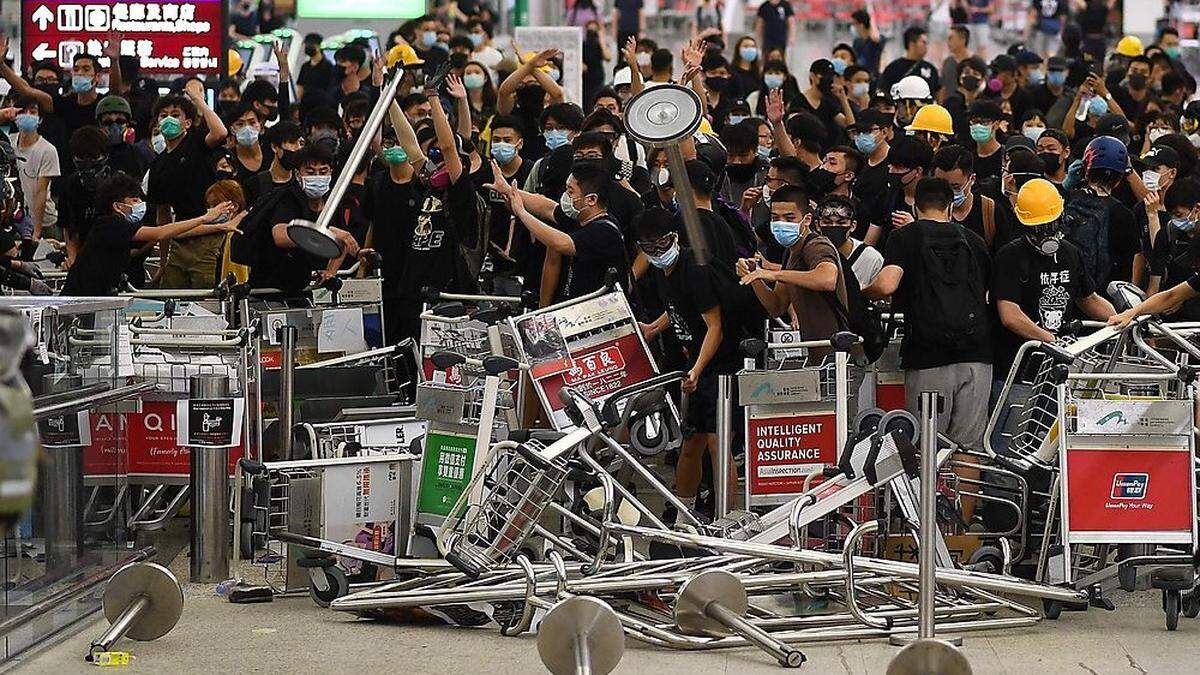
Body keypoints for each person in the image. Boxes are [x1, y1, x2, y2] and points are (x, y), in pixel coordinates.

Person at [864, 177, 992, 521]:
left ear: (914, 207)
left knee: (925, 445)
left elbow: (888, 283)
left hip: (928, 353)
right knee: (969, 448)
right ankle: (961, 530)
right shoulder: (975, 240)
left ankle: (927, 525)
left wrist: (862, 292)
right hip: (977, 354)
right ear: (951, 206)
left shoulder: (905, 237)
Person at [636, 208, 741, 520]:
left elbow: (715, 326)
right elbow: (680, 307)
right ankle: (685, 513)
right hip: (696, 366)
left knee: (717, 442)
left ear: (675, 239)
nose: (657, 253)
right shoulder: (663, 271)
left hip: (722, 367)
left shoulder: (695, 269)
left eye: (662, 245)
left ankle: (726, 517)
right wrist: (655, 328)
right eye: (649, 248)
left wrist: (696, 368)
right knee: (691, 440)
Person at [62, 173, 241, 296]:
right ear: (117, 206)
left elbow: (170, 233)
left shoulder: (115, 229)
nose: (141, 204)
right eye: (134, 200)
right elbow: (162, 232)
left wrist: (222, 226)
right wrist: (206, 217)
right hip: (80, 298)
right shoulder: (110, 224)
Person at [490, 159, 627, 300]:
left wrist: (521, 212)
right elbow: (546, 207)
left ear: (591, 199)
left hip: (602, 311)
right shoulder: (578, 216)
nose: (565, 196)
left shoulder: (605, 230)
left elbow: (561, 243)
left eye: (570, 191)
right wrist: (509, 190)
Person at [736, 185, 850, 352]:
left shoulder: (817, 246)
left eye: (789, 218)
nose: (781, 224)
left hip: (838, 353)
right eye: (775, 218)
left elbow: (827, 279)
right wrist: (754, 277)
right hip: (815, 351)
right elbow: (777, 306)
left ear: (807, 219)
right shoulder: (790, 252)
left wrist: (774, 274)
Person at [146, 84, 229, 289]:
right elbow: (162, 218)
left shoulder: (196, 142)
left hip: (210, 237)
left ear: (188, 123)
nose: (168, 119)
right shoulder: (157, 165)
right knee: (172, 299)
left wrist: (197, 99)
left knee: (206, 298)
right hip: (181, 239)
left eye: (175, 115)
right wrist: (164, 262)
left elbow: (220, 133)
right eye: (163, 115)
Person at [251, 145, 359, 294]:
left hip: (305, 287)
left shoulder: (332, 203)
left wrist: (330, 272)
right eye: (310, 172)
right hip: (271, 287)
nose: (317, 177)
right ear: (297, 174)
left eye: (323, 172)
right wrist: (324, 232)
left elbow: (341, 243)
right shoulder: (288, 198)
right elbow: (280, 236)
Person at [1061, 135, 1139, 292]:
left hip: (1063, 290)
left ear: (1085, 170)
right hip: (1104, 298)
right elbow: (1130, 261)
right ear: (1119, 179)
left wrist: (1065, 186)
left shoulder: (1065, 200)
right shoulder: (1124, 214)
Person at [934, 144, 1012, 249]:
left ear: (972, 179)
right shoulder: (927, 209)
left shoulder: (990, 212)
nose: (947, 193)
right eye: (940, 186)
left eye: (955, 187)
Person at [5, 97, 60, 243]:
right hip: (14, 219)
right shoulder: (7, 143)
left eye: (33, 112)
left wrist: (36, 231)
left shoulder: (48, 150)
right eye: (23, 112)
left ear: (40, 119)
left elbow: (41, 192)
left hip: (44, 222)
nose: (27, 115)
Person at [814, 194, 883, 288]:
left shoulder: (872, 258)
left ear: (853, 226)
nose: (834, 226)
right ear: (817, 225)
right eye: (827, 222)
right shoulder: (810, 253)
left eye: (841, 222)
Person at [879, 26, 940, 99]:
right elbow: (884, 91)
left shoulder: (930, 68)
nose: (926, 46)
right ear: (912, 44)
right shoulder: (893, 68)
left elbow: (937, 93)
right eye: (923, 42)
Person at [967, 100, 1005, 182]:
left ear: (997, 124)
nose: (978, 126)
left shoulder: (1005, 157)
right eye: (975, 122)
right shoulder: (967, 159)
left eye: (984, 122)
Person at [297, 33, 335, 101]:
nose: (307, 47)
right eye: (306, 45)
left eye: (310, 45)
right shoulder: (305, 66)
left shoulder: (328, 66)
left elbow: (330, 88)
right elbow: (300, 86)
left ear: (318, 46)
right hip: (306, 102)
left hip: (321, 102)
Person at [940, 25, 973, 102]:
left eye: (951, 38)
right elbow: (943, 88)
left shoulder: (976, 63)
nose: (948, 42)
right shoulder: (947, 62)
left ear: (963, 39)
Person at [850, 9, 885, 77]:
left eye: (854, 24)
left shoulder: (875, 40)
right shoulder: (857, 41)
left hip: (872, 77)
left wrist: (871, 23)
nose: (853, 27)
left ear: (861, 25)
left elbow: (877, 38)